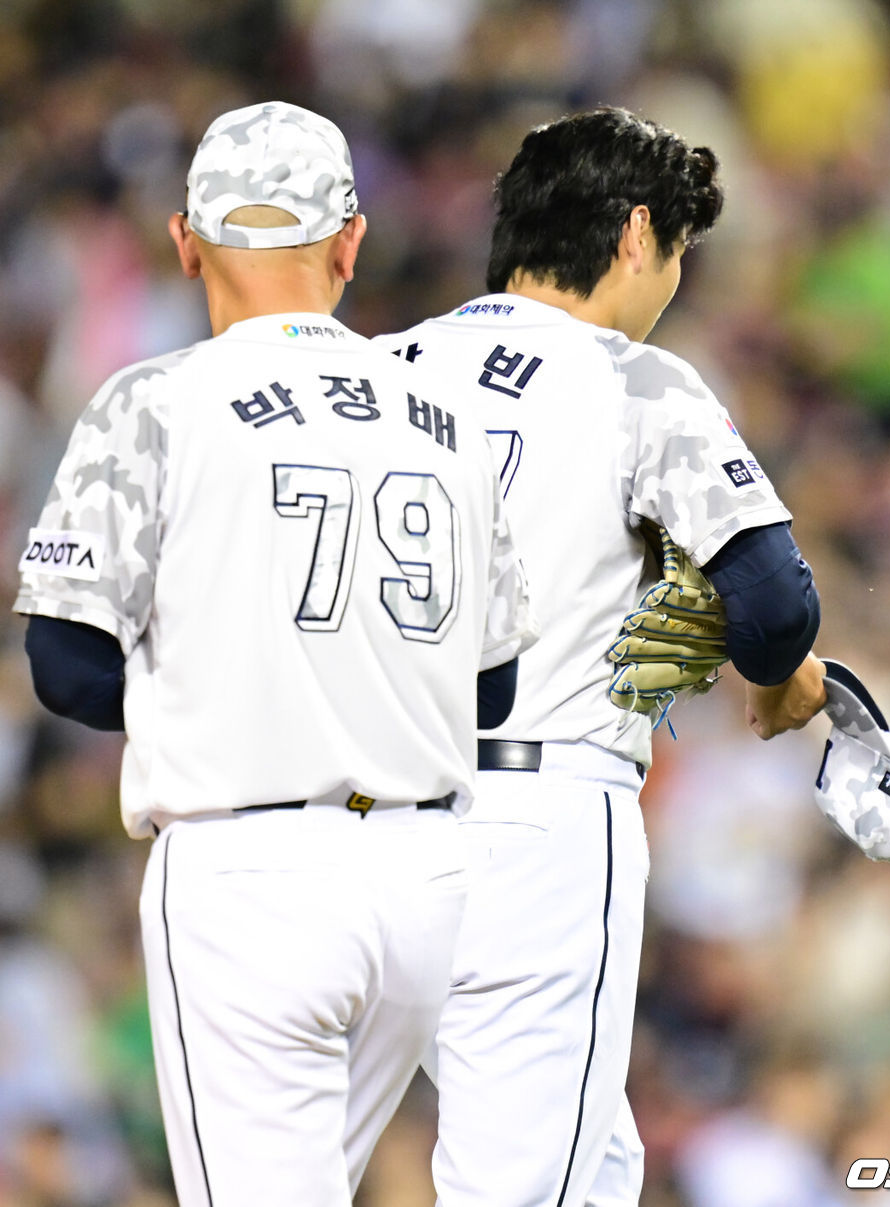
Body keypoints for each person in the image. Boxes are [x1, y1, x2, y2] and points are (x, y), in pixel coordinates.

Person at [13, 100, 536, 1207]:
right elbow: (493, 683)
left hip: (251, 880)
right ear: (350, 242)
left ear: (185, 242)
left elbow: (64, 667)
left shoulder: (154, 402)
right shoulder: (447, 411)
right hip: (426, 881)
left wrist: (232, 692)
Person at [375, 106, 827, 1206]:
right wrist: (778, 670)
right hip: (535, 820)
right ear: (635, 234)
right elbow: (772, 609)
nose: (670, 282)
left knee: (596, 1162)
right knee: (534, 1187)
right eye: (676, 252)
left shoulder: (375, 369)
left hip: (346, 822)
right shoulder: (629, 378)